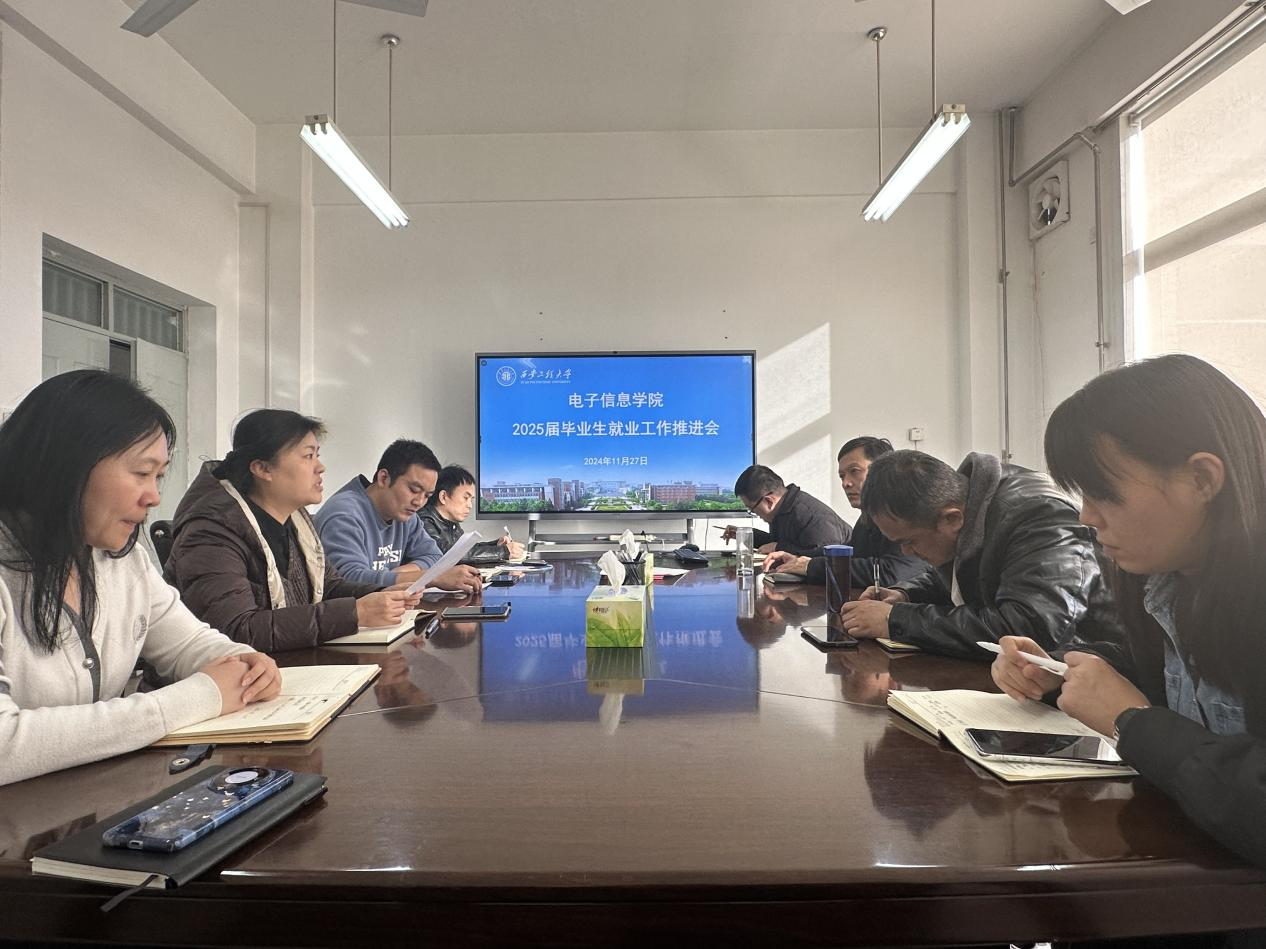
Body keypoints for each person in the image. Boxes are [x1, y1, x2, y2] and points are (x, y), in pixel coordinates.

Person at [990, 354, 1266, 871]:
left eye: (1102, 493)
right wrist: (1060, 672)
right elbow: (1178, 680)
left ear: (1202, 479)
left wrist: (1130, 723)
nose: (1086, 516)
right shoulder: (1170, 578)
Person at [0, 370, 280, 787]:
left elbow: (187, 642)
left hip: (88, 800)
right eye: (141, 472)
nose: (154, 496)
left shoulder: (119, 558)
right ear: (66, 466)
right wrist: (196, 697)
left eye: (159, 476)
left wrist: (243, 662)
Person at [164, 410, 419, 652]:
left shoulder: (296, 518)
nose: (320, 467)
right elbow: (237, 630)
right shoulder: (212, 532)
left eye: (317, 455)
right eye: (308, 456)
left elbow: (328, 587)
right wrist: (356, 613)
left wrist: (380, 595)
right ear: (263, 468)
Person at [839, 449, 1119, 660]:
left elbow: (1029, 630)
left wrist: (895, 619)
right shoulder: (969, 504)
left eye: (909, 541)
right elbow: (964, 573)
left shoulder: (1040, 516)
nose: (906, 552)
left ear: (951, 519)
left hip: (1095, 676)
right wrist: (905, 594)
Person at [314, 442, 481, 592]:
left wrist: (394, 574)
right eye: (414, 490)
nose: (419, 502)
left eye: (427, 495)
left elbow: (434, 557)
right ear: (383, 478)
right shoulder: (344, 514)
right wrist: (431, 577)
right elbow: (348, 581)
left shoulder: (405, 514)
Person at [763, 436, 925, 588]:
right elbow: (852, 556)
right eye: (842, 476)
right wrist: (799, 560)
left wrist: (811, 566)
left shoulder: (906, 512)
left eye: (854, 471)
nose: (845, 483)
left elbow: (893, 573)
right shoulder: (867, 516)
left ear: (883, 469)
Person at [721, 464, 850, 555]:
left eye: (752, 509)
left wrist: (779, 548)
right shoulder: (783, 509)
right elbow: (780, 543)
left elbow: (824, 556)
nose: (754, 513)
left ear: (769, 501)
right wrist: (744, 534)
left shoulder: (811, 516)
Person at [417, 465, 525, 560]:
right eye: (465, 498)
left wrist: (495, 545)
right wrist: (504, 552)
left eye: (471, 499)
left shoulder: (451, 523)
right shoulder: (424, 520)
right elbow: (447, 554)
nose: (470, 505)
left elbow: (465, 550)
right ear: (444, 497)